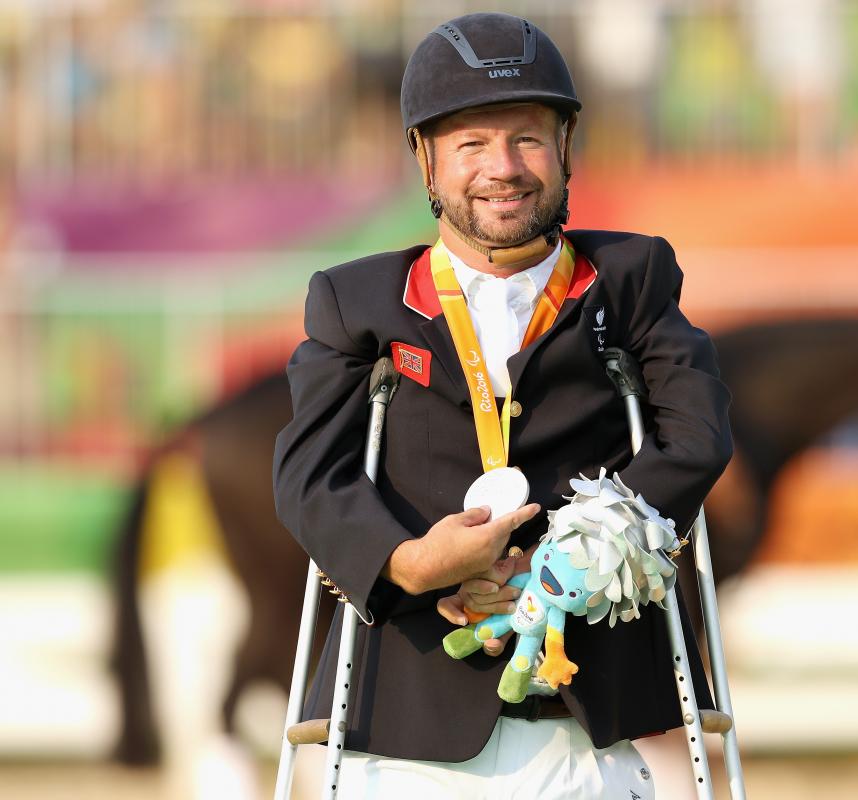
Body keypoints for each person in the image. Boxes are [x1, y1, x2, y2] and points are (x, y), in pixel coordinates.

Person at [273, 12, 732, 798]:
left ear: (565, 149)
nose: (503, 167)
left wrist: (582, 557)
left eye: (526, 138)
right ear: (426, 158)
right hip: (409, 728)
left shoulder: (634, 279)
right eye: (471, 144)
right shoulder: (356, 302)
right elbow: (311, 479)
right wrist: (413, 564)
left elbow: (696, 437)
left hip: (589, 720)